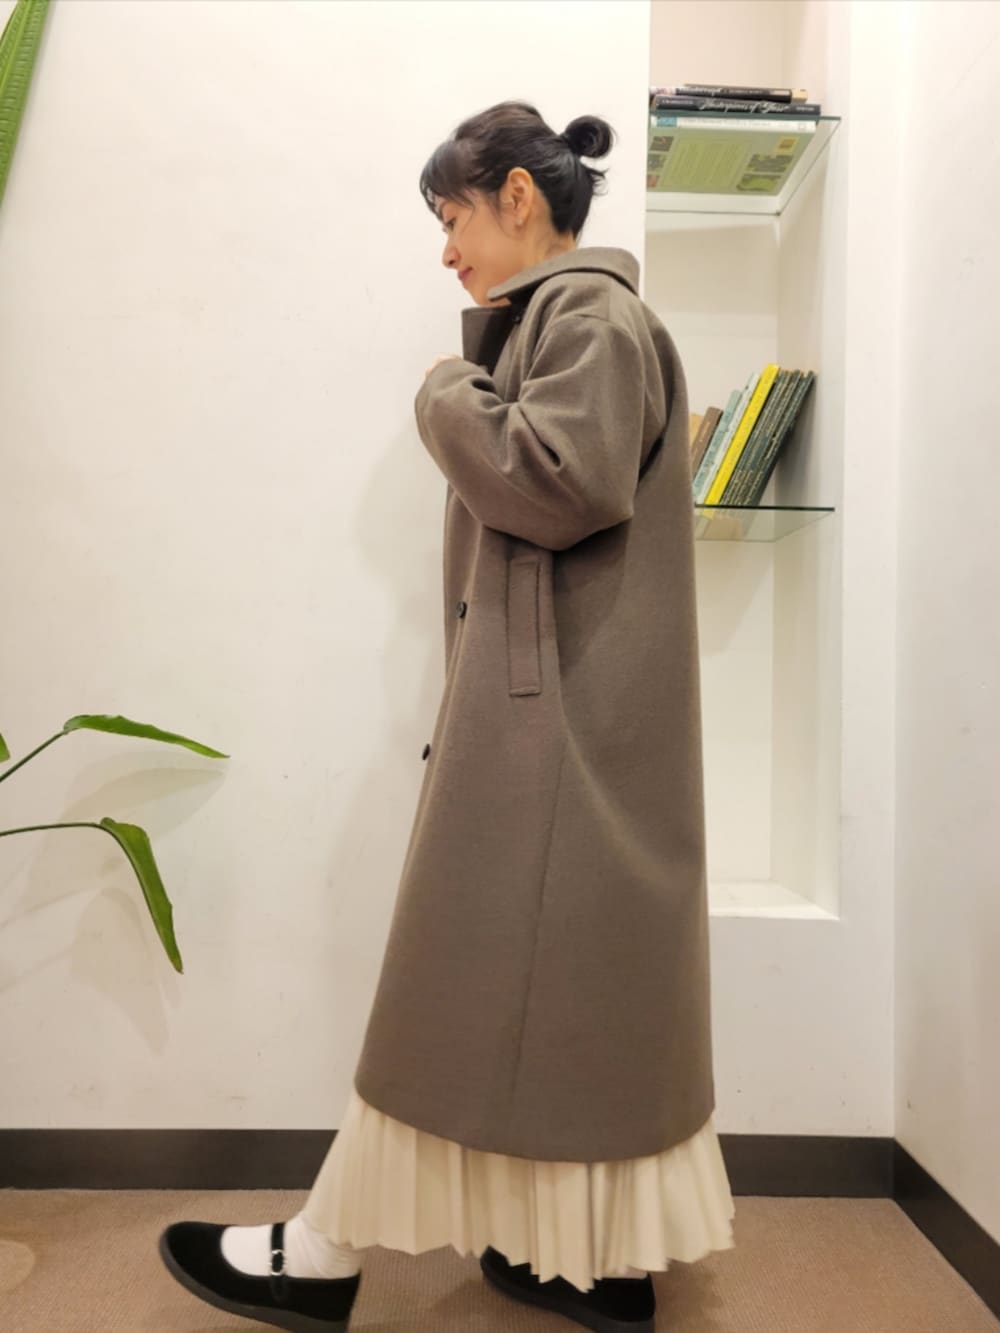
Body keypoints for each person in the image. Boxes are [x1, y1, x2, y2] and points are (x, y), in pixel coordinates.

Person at [158, 100, 735, 1333]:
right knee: (569, 1006)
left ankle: (323, 1255)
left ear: (517, 198)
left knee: (446, 996)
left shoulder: (587, 315)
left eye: (452, 216)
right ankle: (588, 1262)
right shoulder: (578, 317)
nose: (445, 249)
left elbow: (560, 481)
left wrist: (442, 394)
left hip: (551, 737)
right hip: (569, 725)